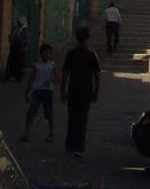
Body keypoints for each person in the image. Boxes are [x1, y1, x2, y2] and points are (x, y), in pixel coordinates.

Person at [61, 26, 100, 156]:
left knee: (72, 118)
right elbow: (97, 75)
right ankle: (78, 146)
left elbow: (65, 73)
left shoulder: (71, 54)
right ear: (87, 39)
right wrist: (96, 92)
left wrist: (63, 90)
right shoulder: (91, 55)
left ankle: (70, 144)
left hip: (74, 90)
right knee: (82, 119)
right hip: (85, 91)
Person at [21, 44, 59, 143]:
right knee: (30, 113)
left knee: (49, 114)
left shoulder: (52, 65)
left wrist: (52, 79)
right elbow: (31, 79)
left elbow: (58, 78)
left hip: (48, 92)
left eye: (49, 53)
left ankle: (51, 134)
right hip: (37, 92)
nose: (47, 55)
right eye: (45, 53)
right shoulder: (36, 66)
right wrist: (27, 92)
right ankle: (26, 133)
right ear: (41, 54)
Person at [5, 16, 28, 82]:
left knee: (19, 64)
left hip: (20, 49)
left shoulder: (25, 30)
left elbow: (26, 40)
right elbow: (11, 36)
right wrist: (11, 39)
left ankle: (18, 77)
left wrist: (20, 42)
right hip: (13, 48)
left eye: (20, 22)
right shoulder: (15, 29)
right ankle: (9, 76)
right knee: (11, 62)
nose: (18, 23)